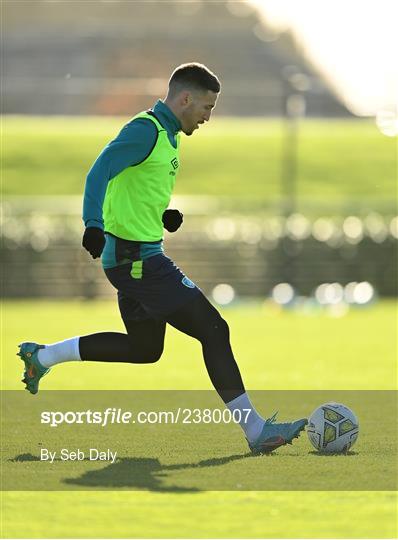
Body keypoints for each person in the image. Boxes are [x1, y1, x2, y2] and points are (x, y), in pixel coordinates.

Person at [17, 62, 307, 454]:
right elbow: (99, 172)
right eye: (206, 107)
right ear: (184, 98)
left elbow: (132, 187)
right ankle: (255, 430)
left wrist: (160, 214)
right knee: (214, 330)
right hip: (137, 261)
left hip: (138, 256)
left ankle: (43, 356)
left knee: (145, 349)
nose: (208, 117)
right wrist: (92, 224)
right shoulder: (146, 130)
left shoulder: (170, 136)